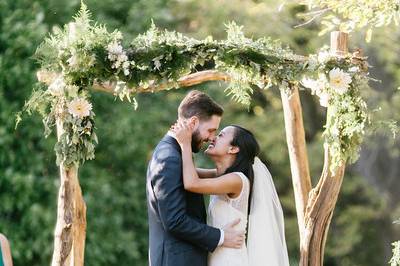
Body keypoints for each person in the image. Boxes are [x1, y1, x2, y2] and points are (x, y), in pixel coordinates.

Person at [146, 90, 245, 266]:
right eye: (211, 130)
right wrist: (221, 236)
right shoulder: (169, 158)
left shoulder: (175, 153)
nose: (212, 138)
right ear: (193, 122)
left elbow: (200, 177)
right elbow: (175, 221)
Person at [171, 121, 290, 266]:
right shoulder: (221, 177)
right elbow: (185, 172)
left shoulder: (236, 180)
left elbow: (191, 183)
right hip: (220, 255)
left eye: (220, 135)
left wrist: (185, 144)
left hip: (230, 259)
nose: (213, 138)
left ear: (233, 149)